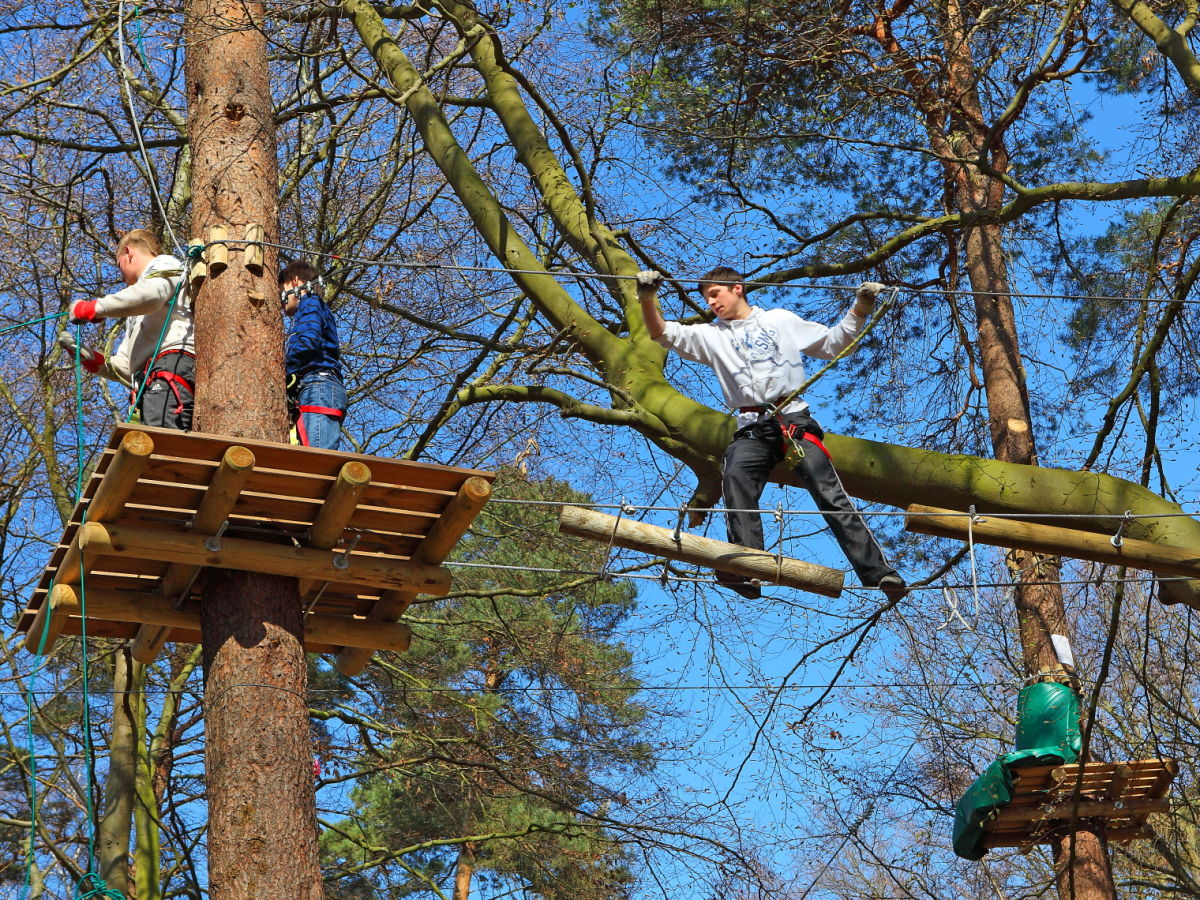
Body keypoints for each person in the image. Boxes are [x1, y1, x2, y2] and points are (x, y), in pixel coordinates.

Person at [637, 266, 907, 602]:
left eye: (714, 293)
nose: (710, 302)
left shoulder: (779, 320)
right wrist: (647, 298)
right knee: (734, 476)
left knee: (828, 493)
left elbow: (834, 343)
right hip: (750, 426)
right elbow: (660, 332)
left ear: (737, 288)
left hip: (793, 419)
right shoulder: (710, 336)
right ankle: (750, 567)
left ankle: (880, 574)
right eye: (705, 298)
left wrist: (860, 308)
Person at [60, 229, 194, 430]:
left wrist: (93, 308)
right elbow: (126, 365)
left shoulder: (165, 263)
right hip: (151, 378)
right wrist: (95, 361)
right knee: (154, 443)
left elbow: (150, 295)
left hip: (172, 363)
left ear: (129, 253)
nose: (120, 273)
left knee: (163, 443)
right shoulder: (137, 315)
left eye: (118, 263)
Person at [280, 260, 346, 450]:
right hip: (314, 388)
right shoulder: (310, 308)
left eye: (281, 294)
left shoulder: (310, 302)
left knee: (316, 459)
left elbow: (308, 342)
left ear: (294, 282)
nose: (282, 305)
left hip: (318, 386)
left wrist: (282, 371)